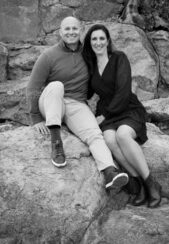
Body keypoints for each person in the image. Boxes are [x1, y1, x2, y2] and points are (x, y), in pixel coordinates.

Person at [26, 16, 129, 191]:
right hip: (51, 101)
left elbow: (103, 73)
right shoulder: (48, 55)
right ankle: (56, 144)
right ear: (60, 32)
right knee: (56, 86)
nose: (71, 32)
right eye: (67, 29)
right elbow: (33, 87)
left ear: (80, 30)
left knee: (95, 134)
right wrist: (35, 117)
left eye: (75, 28)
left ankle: (109, 172)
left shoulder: (88, 54)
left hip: (76, 103)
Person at [82, 23, 162, 208]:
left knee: (122, 135)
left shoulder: (119, 58)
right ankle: (139, 184)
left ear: (108, 41)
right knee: (109, 139)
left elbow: (123, 91)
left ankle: (151, 182)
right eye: (94, 39)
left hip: (127, 107)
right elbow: (85, 92)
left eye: (102, 38)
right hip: (107, 112)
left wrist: (103, 116)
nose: (98, 42)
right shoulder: (91, 65)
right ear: (89, 42)